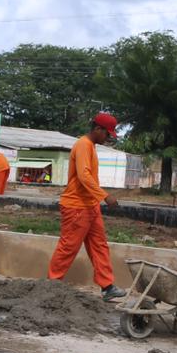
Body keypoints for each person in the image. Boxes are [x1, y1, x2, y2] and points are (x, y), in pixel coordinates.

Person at [47, 113, 127, 301]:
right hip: (76, 206)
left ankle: (107, 287)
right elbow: (84, 176)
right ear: (97, 129)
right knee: (68, 247)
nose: (108, 138)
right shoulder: (83, 145)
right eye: (107, 134)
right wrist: (105, 196)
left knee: (99, 246)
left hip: (90, 205)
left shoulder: (90, 146)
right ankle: (51, 284)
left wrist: (98, 198)